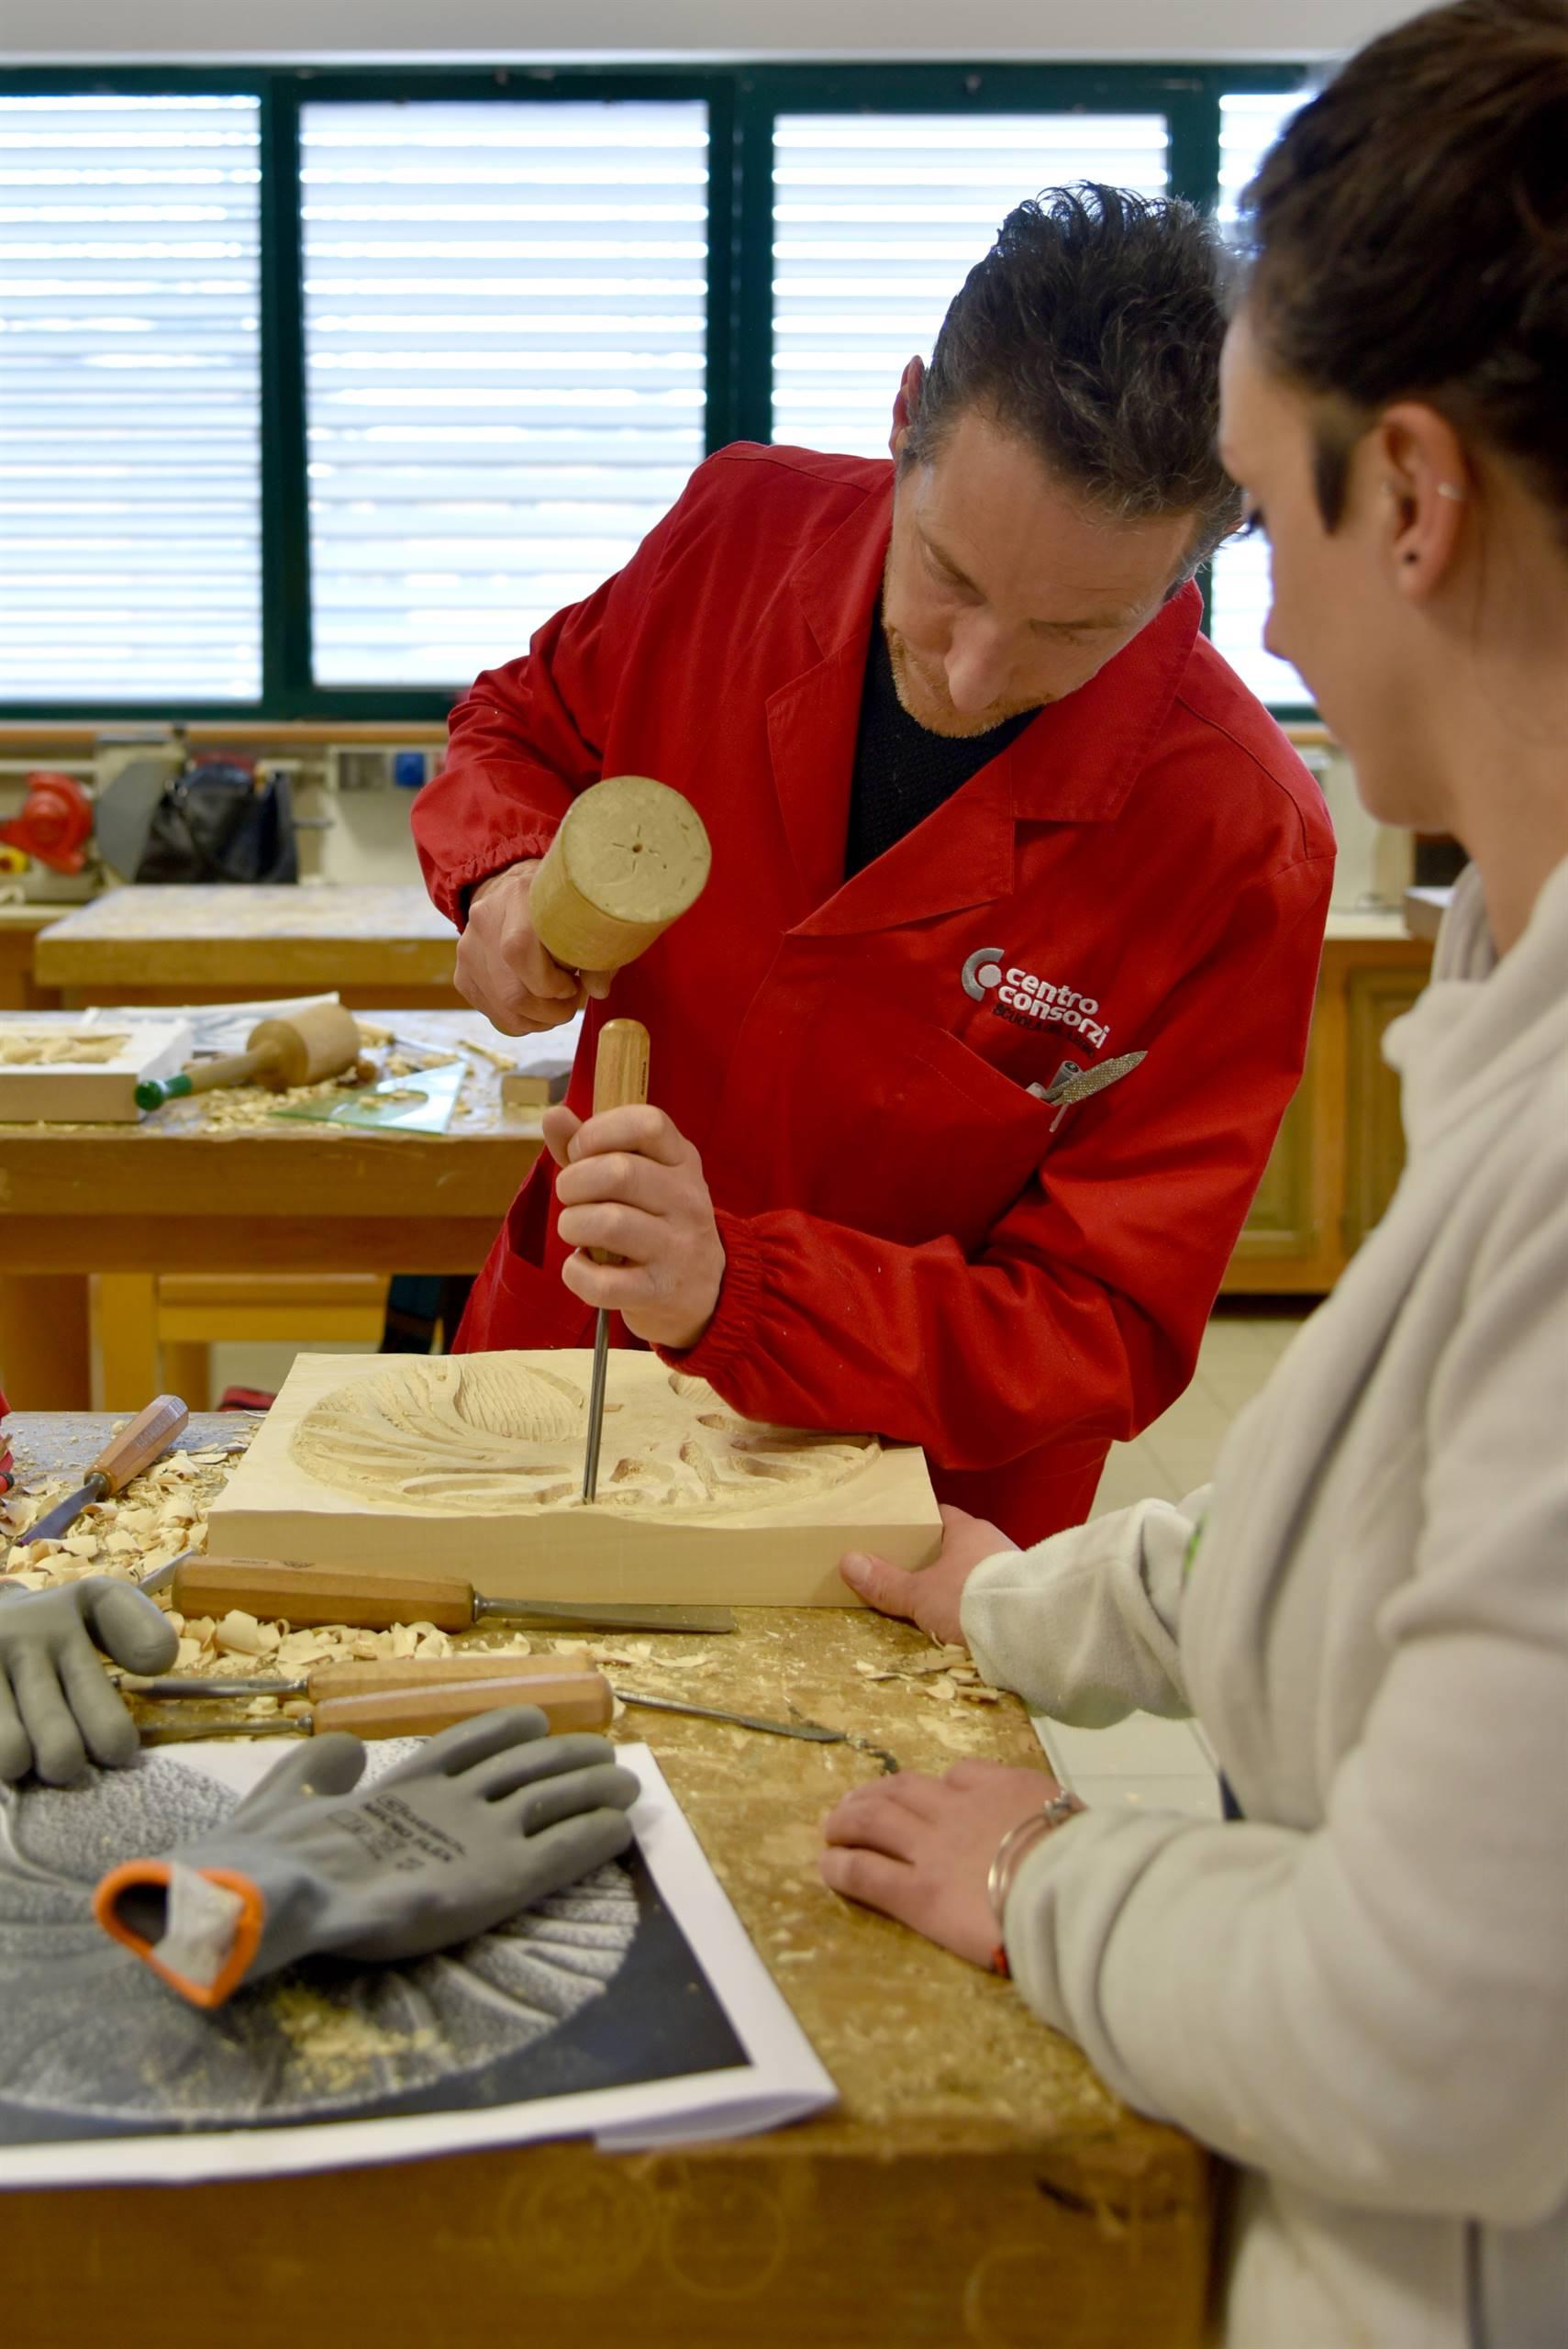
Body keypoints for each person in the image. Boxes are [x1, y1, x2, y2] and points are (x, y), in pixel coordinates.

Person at [817, 6, 1568, 2343]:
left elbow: (1437, 2037)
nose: (1257, 625)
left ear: (1412, 500)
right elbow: (1415, 1521)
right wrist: (1041, 1607)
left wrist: (1052, 1871)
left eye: (1260, 509)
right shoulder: (1507, 943)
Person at [414, 186, 1335, 1547]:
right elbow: (519, 723)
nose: (972, 674)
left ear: (1192, 560)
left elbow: (1103, 1329)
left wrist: (745, 1290)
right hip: (561, 1376)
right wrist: (504, 879)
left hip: (907, 1506)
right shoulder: (739, 532)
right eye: (948, 576)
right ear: (905, 416)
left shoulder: (1237, 838)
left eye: (1071, 631)